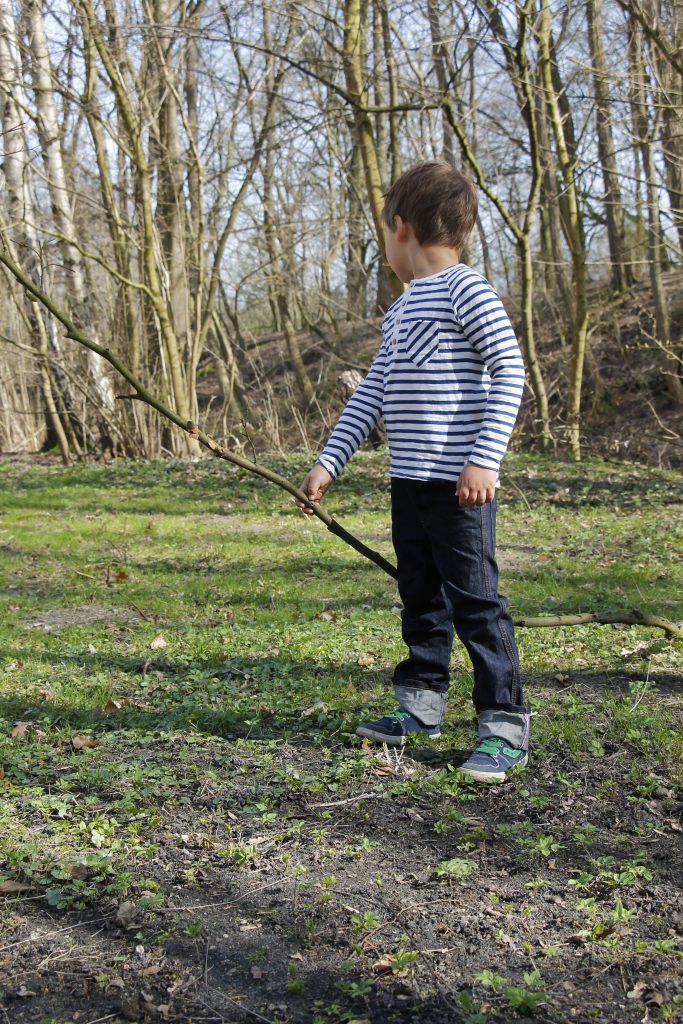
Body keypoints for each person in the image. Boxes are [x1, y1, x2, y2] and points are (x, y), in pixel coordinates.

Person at [299, 161, 530, 783]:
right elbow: (372, 391)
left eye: (384, 233)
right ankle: (421, 708)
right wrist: (330, 459)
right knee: (420, 599)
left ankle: (504, 724)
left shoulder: (466, 290)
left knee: (476, 604)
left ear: (400, 227)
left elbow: (510, 371)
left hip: (460, 488)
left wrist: (484, 458)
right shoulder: (400, 310)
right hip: (410, 484)